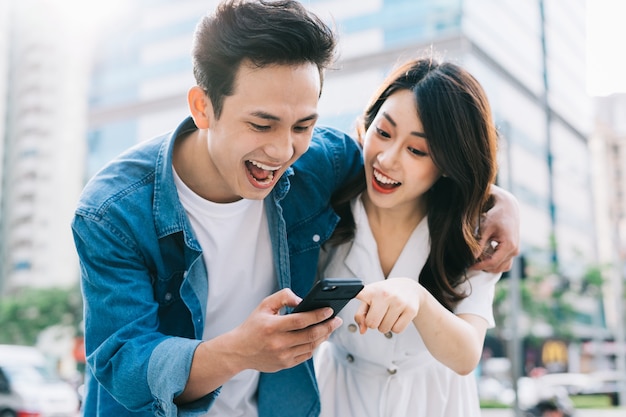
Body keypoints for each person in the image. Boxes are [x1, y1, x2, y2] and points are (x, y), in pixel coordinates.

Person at [71, 1, 519, 416]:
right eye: (261, 124)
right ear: (203, 107)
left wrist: (497, 200)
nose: (283, 150)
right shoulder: (112, 212)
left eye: (303, 125)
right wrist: (240, 351)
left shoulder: (317, 163)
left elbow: (421, 167)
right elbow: (122, 360)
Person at [314, 56, 510, 417]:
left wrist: (416, 297)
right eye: (384, 133)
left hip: (435, 403)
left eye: (416, 150)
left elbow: (467, 353)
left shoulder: (472, 232)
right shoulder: (327, 207)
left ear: (449, 164)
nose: (387, 159)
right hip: (340, 397)